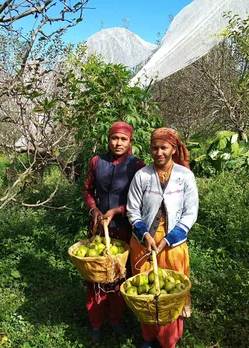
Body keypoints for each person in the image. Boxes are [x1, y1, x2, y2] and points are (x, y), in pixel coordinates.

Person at [126, 128, 199, 348]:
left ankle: (169, 340)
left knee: (171, 294)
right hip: (143, 244)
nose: (159, 152)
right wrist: (145, 234)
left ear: (173, 149)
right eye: (155, 148)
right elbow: (132, 210)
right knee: (146, 292)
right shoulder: (142, 176)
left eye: (164, 148)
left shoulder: (184, 176)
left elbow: (190, 212)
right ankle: (148, 336)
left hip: (173, 245)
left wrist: (168, 239)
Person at [82, 121, 145, 345]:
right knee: (95, 276)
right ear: (108, 140)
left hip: (124, 230)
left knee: (119, 276)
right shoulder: (97, 162)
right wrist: (95, 209)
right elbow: (88, 189)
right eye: (114, 138)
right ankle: (96, 323)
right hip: (99, 229)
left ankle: (116, 319)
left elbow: (142, 201)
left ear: (131, 142)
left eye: (123, 139)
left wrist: (118, 210)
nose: (117, 143)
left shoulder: (137, 166)